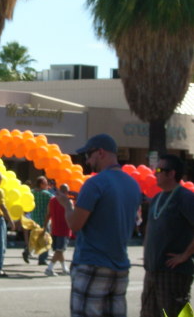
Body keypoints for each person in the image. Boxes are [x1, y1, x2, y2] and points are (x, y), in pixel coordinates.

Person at [56, 133, 141, 317]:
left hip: (92, 264)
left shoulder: (94, 183)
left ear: (100, 152)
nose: (86, 160)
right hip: (120, 266)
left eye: (88, 154)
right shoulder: (133, 185)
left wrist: (67, 205)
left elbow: (75, 224)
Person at [141, 154, 194, 317]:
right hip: (152, 272)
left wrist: (184, 256)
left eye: (159, 169)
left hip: (173, 273)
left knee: (175, 314)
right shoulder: (157, 197)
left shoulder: (185, 197)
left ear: (171, 173)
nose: (154, 173)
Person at [43, 183, 72, 276]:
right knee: (59, 250)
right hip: (64, 229)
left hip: (54, 229)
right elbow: (72, 214)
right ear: (66, 192)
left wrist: (44, 226)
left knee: (59, 250)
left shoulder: (52, 200)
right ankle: (49, 268)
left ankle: (64, 268)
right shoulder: (68, 201)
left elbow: (48, 214)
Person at [25, 176, 53, 265]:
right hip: (44, 219)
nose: (47, 185)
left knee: (35, 239)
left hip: (34, 219)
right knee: (45, 240)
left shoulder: (31, 192)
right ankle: (42, 259)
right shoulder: (47, 194)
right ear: (41, 184)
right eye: (46, 183)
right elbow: (55, 200)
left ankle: (27, 251)